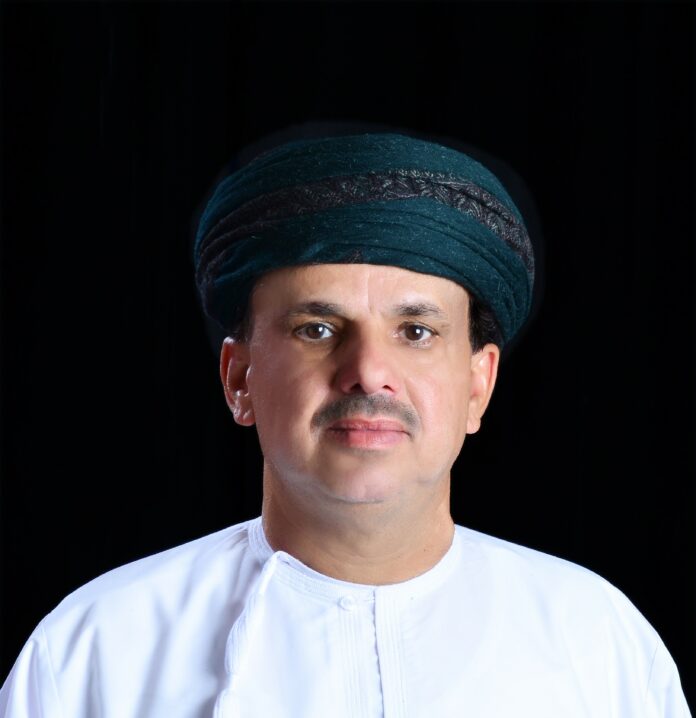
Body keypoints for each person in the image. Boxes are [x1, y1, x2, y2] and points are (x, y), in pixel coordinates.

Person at [0, 130, 690, 717]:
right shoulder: (95, 654)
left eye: (416, 332)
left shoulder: (596, 644)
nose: (367, 372)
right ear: (239, 380)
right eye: (318, 328)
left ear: (478, 386)